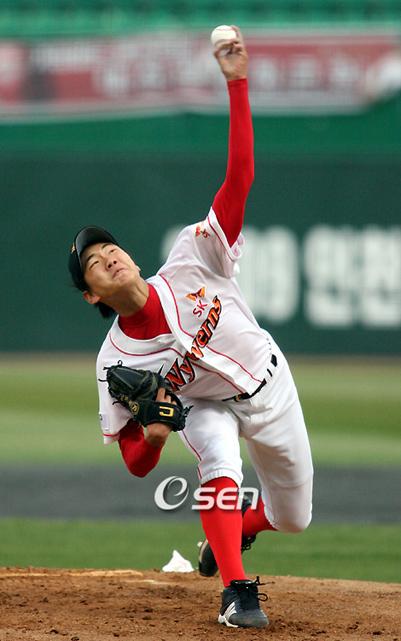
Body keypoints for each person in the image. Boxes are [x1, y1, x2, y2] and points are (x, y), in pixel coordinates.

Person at [68, 27, 313, 629]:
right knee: (217, 456)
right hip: (205, 405)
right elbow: (135, 459)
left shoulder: (191, 256)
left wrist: (237, 84)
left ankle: (237, 531)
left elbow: (239, 179)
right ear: (91, 294)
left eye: (110, 247)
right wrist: (153, 436)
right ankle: (236, 592)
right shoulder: (113, 360)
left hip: (271, 384)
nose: (109, 256)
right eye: (95, 262)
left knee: (295, 518)